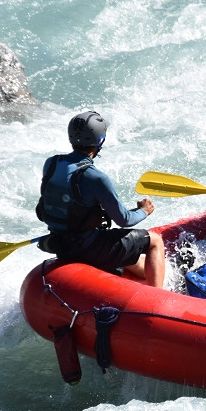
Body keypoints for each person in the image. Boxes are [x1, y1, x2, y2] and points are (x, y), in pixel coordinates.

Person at [36, 111, 165, 288]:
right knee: (155, 241)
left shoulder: (51, 164)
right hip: (88, 247)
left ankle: (157, 271)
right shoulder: (95, 177)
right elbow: (124, 220)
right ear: (100, 141)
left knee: (127, 255)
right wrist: (144, 210)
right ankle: (158, 297)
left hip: (60, 243)